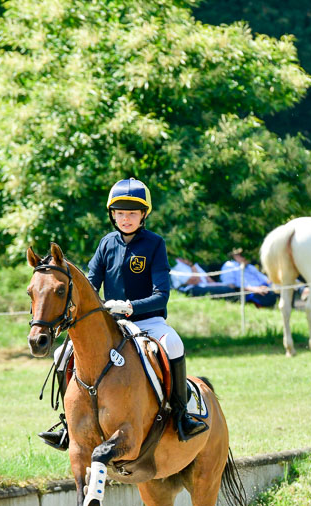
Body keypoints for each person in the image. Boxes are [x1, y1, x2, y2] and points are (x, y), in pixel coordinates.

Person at [38, 177, 209, 450]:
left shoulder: (155, 244)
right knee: (61, 355)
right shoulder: (106, 243)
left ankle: (181, 415)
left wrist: (130, 306)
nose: (126, 218)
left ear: (143, 215)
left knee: (174, 343)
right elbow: (90, 284)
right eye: (120, 213)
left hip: (148, 321)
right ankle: (68, 424)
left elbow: (161, 295)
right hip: (111, 323)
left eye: (132, 213)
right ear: (112, 215)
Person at [171, 256, 236, 298]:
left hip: (204, 286)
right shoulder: (176, 264)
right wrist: (191, 266)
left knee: (228, 288)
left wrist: (217, 285)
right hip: (190, 288)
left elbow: (208, 279)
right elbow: (195, 281)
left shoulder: (192, 263)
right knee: (227, 290)